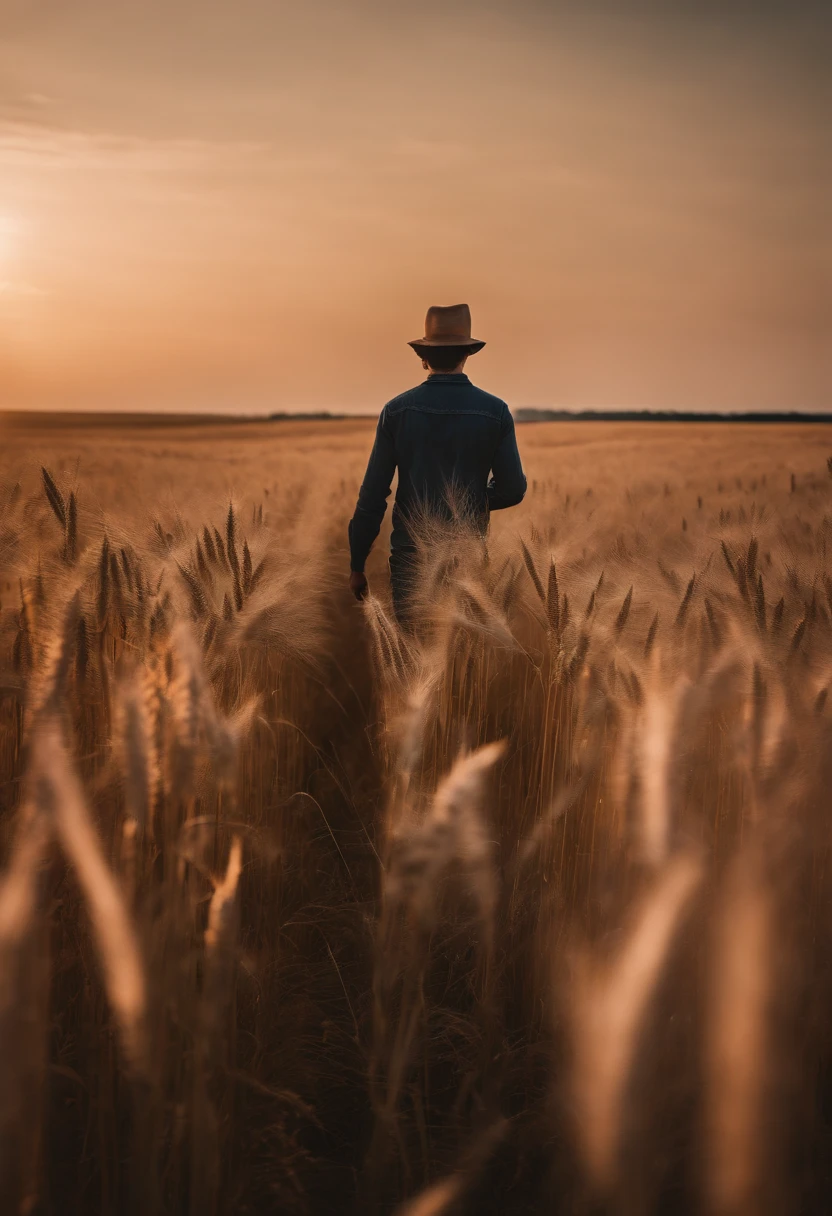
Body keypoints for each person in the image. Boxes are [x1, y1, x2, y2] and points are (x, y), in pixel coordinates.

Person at [347, 303, 527, 622]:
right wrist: (470, 501)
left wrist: (357, 564)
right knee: (462, 662)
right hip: (467, 557)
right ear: (467, 354)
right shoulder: (495, 411)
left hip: (410, 560)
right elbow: (513, 489)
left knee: (415, 660)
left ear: (423, 357)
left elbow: (372, 497)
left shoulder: (396, 412)